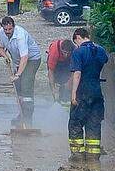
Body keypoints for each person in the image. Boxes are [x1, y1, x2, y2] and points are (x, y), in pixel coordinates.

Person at [68, 28, 109, 161]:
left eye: (76, 41)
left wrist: (73, 94)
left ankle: (77, 156)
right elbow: (104, 61)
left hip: (82, 93)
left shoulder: (78, 52)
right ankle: (92, 157)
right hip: (97, 93)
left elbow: (77, 73)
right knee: (94, 124)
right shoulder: (101, 50)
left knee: (75, 123)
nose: (76, 44)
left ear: (78, 37)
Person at [0, 16, 41, 124]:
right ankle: (21, 115)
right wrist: (5, 56)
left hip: (32, 60)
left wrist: (18, 74)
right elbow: (0, 47)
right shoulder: (1, 33)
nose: (8, 32)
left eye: (10, 29)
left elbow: (24, 57)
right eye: (5, 29)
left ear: (14, 27)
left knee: (26, 85)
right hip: (18, 62)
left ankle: (28, 120)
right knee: (18, 88)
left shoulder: (20, 35)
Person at [47, 39, 75, 104]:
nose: (66, 55)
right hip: (57, 63)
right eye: (64, 52)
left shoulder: (74, 50)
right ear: (61, 49)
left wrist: (69, 83)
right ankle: (57, 99)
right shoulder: (55, 51)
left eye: (68, 53)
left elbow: (74, 71)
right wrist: (53, 89)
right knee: (57, 80)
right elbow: (51, 71)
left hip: (67, 63)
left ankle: (65, 98)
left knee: (66, 80)